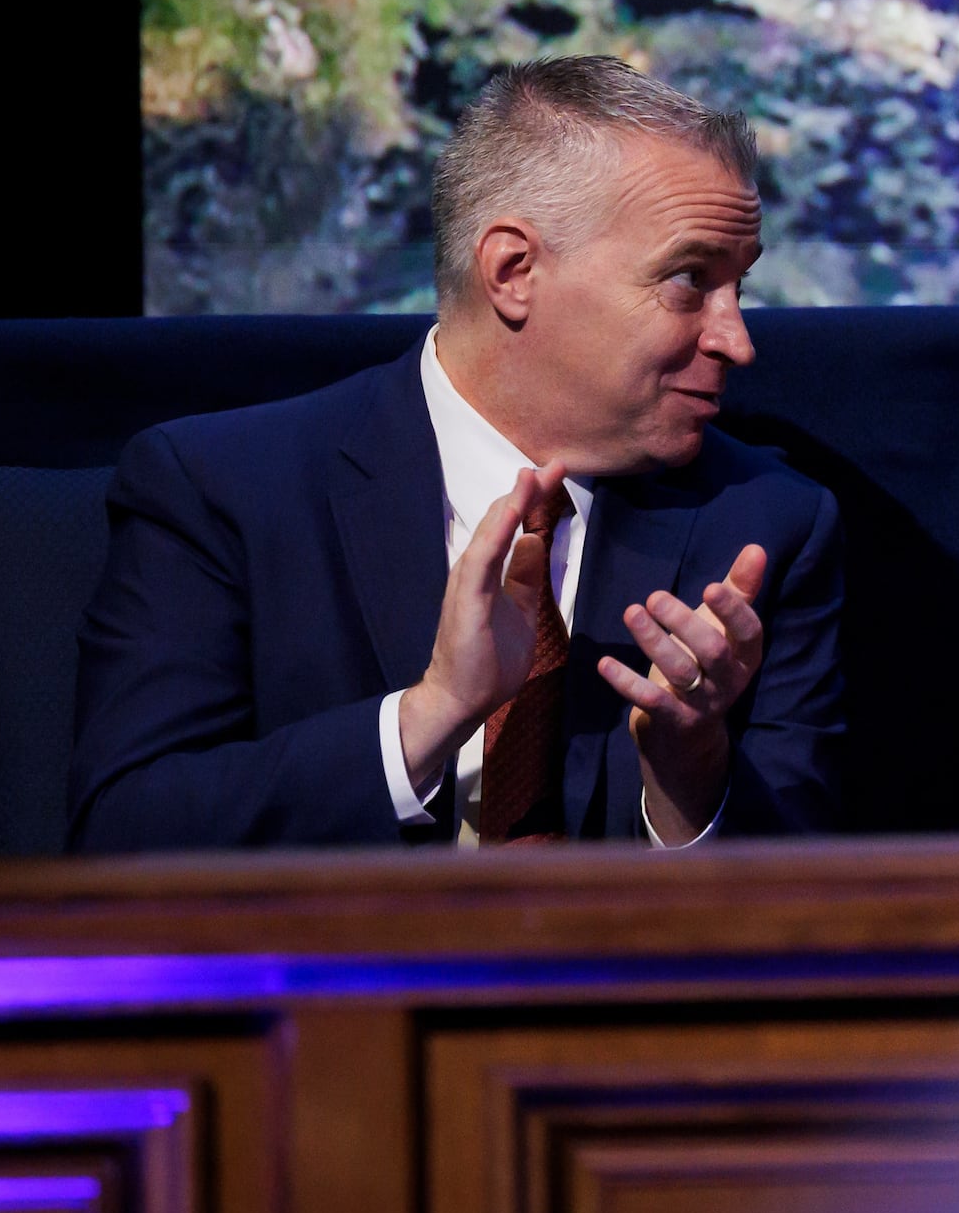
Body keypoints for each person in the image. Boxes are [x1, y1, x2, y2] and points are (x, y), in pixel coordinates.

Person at [71, 57, 844, 849]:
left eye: (739, 287)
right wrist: (428, 715)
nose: (736, 341)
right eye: (688, 280)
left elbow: (807, 893)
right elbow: (124, 835)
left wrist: (690, 775)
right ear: (513, 272)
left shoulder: (767, 529)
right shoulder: (223, 489)